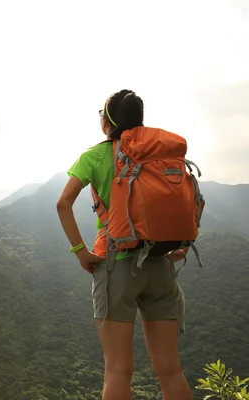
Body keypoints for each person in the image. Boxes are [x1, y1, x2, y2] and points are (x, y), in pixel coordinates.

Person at [56, 89, 194, 400]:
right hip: (160, 263)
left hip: (115, 264)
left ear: (108, 121)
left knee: (118, 370)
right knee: (171, 370)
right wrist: (181, 246)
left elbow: (63, 203)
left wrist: (80, 252)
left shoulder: (94, 156)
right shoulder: (158, 153)